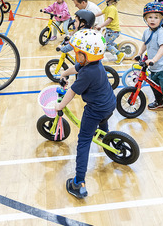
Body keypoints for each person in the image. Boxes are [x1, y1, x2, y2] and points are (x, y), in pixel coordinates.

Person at [56, 29, 116, 199]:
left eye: (77, 52)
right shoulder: (93, 65)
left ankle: (79, 182)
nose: (75, 54)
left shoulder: (87, 73)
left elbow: (71, 93)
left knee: (83, 142)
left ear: (85, 55)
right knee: (104, 119)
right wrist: (63, 73)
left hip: (95, 110)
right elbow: (76, 68)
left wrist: (59, 106)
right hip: (110, 103)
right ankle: (107, 136)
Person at [137, 2, 163, 119]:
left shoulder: (161, 32)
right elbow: (145, 44)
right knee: (154, 85)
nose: (153, 20)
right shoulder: (147, 31)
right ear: (145, 18)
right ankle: (159, 102)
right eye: (150, 17)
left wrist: (154, 59)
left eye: (156, 17)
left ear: (162, 19)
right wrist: (139, 54)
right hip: (154, 66)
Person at [95, 0, 125, 64]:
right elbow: (101, 12)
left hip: (113, 31)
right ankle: (116, 46)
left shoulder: (112, 8)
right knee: (105, 42)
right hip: (110, 30)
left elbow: (109, 20)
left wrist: (100, 26)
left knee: (106, 44)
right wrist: (92, 15)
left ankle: (119, 54)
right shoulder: (109, 7)